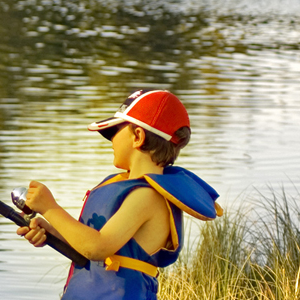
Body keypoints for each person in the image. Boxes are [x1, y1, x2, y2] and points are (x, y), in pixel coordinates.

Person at [16, 90, 222, 299]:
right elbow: (95, 248)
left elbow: (97, 248)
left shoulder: (148, 197)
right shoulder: (130, 188)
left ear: (138, 136)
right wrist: (53, 232)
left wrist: (51, 208)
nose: (111, 140)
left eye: (115, 132)